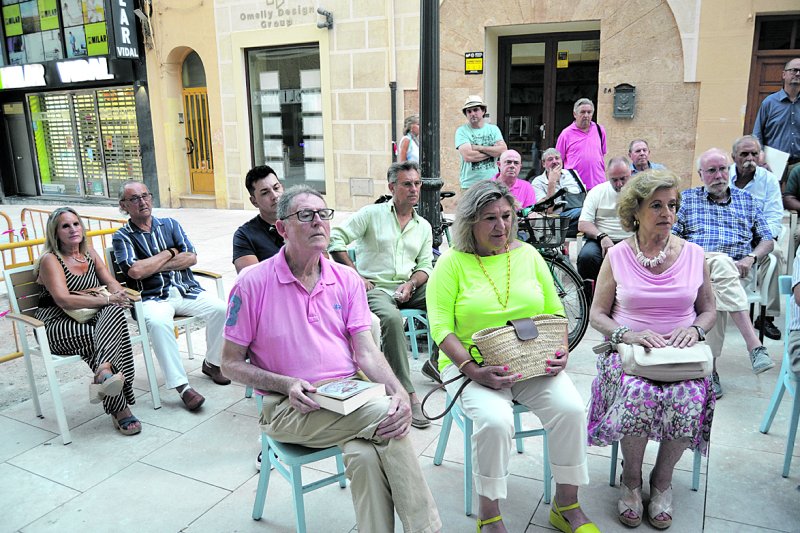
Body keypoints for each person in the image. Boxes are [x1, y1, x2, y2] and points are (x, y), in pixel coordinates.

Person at [220, 185, 442, 533]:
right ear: (282, 228)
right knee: (389, 419)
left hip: (348, 396)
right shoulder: (253, 284)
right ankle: (428, 530)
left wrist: (399, 393)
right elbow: (229, 363)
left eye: (323, 214)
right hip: (289, 407)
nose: (318, 223)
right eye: (305, 215)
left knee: (366, 454)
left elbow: (366, 351)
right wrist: (285, 383)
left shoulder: (346, 278)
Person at [426, 180, 598, 533]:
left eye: (506, 216)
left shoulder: (528, 255)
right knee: (495, 421)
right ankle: (489, 515)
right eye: (489, 218)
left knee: (571, 410)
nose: (501, 226)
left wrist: (561, 352)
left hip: (532, 361)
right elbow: (440, 327)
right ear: (470, 222)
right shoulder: (451, 264)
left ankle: (566, 505)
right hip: (471, 364)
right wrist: (473, 370)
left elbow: (556, 312)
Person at [587, 170, 717, 530]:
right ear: (635, 211)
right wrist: (627, 333)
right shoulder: (616, 256)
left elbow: (709, 310)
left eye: (672, 205)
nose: (667, 213)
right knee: (638, 393)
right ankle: (631, 479)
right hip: (630, 355)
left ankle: (662, 480)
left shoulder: (694, 254)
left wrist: (694, 329)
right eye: (656, 205)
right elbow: (598, 314)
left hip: (681, 358)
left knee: (689, 396)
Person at [329, 161, 433, 428]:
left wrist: (411, 284)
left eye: (417, 183)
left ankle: (438, 363)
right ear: (392, 187)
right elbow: (335, 239)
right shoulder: (371, 214)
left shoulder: (423, 226)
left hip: (407, 286)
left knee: (448, 299)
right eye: (407, 184)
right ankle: (406, 392)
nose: (414, 189)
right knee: (391, 319)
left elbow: (425, 267)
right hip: (374, 287)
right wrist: (356, 275)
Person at [113, 181, 229, 412]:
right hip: (151, 297)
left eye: (145, 195)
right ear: (124, 205)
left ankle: (212, 363)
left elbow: (191, 258)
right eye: (134, 199)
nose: (142, 202)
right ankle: (183, 387)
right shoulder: (122, 237)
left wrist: (152, 265)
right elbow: (134, 271)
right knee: (158, 323)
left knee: (222, 309)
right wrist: (169, 252)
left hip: (185, 289)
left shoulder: (170, 224)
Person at [674, 148, 776, 398]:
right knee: (718, 264)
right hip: (697, 265)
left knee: (715, 290)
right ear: (700, 174)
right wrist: (690, 257)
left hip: (739, 269)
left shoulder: (747, 200)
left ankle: (711, 370)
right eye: (712, 170)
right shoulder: (687, 199)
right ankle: (753, 344)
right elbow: (673, 236)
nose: (719, 175)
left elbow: (767, 239)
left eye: (723, 169)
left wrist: (751, 257)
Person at [34, 207, 141, 435]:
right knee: (104, 335)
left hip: (91, 318)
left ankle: (104, 373)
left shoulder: (89, 253)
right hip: (55, 324)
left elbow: (110, 282)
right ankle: (120, 406)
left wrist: (116, 294)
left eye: (76, 224)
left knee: (113, 313)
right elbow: (63, 300)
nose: (73, 229)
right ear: (55, 232)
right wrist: (107, 299)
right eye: (65, 226)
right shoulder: (50, 260)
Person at [729, 135, 784, 339]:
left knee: (775, 257)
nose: (750, 158)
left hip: (759, 237)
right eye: (744, 154)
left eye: (754, 153)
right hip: (729, 236)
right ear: (734, 157)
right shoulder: (722, 176)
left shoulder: (768, 180)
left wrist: (762, 241)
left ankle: (766, 316)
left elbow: (774, 216)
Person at [577, 157, 634, 283]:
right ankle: (589, 298)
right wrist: (602, 236)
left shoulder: (639, 193)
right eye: (614, 180)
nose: (619, 184)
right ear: (608, 175)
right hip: (600, 239)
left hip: (631, 240)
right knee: (587, 257)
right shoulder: (597, 192)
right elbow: (583, 223)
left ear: (630, 173)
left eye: (623, 179)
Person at [753, 57, 800, 181]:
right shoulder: (769, 103)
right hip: (772, 163)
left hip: (799, 165)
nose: (798, 74)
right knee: (769, 198)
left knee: (794, 200)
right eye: (794, 70)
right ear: (784, 74)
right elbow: (757, 134)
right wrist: (760, 157)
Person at [232, 165, 284, 273]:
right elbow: (250, 281)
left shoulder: (301, 221)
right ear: (254, 201)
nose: (274, 196)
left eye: (276, 188)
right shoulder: (245, 235)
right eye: (265, 193)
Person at [531, 148, 586, 237]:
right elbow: (547, 210)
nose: (555, 161)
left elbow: (584, 196)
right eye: (550, 159)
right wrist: (552, 182)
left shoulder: (572, 174)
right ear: (543, 164)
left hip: (578, 217)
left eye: (557, 158)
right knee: (586, 213)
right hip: (557, 220)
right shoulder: (537, 182)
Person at [455, 95, 507, 189]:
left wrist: (479, 148)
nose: (472, 113)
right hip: (470, 185)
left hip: (492, 183)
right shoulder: (462, 131)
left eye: (475, 110)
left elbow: (503, 150)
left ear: (483, 111)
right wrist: (493, 152)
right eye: (469, 111)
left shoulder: (493, 129)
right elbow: (469, 156)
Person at [555, 98, 607, 191]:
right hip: (575, 186)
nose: (586, 115)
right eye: (582, 112)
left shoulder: (600, 130)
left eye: (589, 112)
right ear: (575, 114)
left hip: (598, 185)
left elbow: (601, 154)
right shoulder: (566, 134)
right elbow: (558, 160)